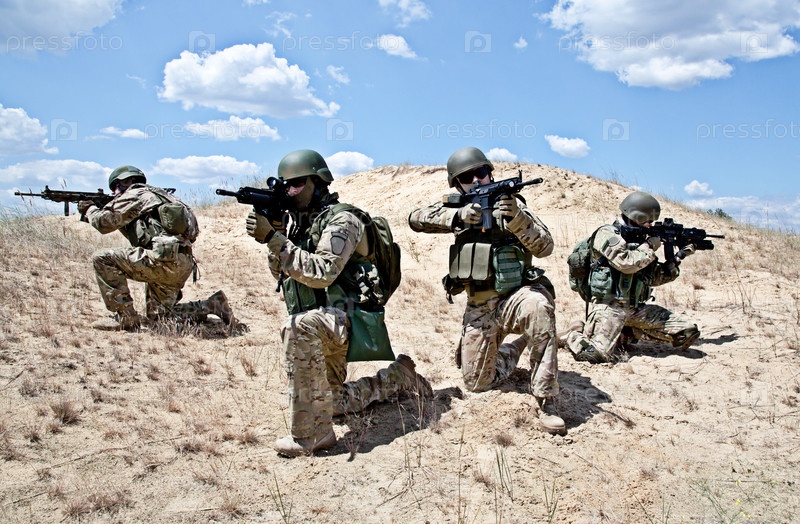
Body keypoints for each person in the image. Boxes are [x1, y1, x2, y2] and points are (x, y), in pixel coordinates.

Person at [245, 149, 432, 457]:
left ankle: (311, 435)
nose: (290, 191)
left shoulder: (343, 220)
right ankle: (399, 377)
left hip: (349, 318)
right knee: (330, 403)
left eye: (297, 184)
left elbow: (322, 273)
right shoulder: (302, 224)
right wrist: (276, 235)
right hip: (325, 321)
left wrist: (272, 239)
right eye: (286, 186)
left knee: (298, 326)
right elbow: (281, 273)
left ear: (318, 183)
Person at [408, 146, 565, 435]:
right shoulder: (458, 208)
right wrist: (458, 216)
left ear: (490, 172)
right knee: (476, 383)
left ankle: (546, 398)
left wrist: (517, 219)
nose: (476, 180)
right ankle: (515, 347)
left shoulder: (514, 207)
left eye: (480, 172)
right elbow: (415, 218)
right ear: (457, 185)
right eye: (467, 177)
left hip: (515, 299)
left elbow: (545, 247)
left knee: (539, 307)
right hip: (480, 306)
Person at [78, 165, 236, 331]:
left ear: (124, 182)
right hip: (182, 263)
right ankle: (212, 305)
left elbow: (103, 223)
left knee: (102, 258)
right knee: (160, 319)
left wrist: (89, 209)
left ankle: (125, 317)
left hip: (161, 261)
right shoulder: (165, 196)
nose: (113, 194)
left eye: (114, 189)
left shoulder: (136, 194)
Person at [558, 191, 701, 363]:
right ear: (638, 217)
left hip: (636, 309)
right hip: (609, 309)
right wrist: (649, 246)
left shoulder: (640, 242)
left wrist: (678, 258)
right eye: (648, 221)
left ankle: (626, 333)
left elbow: (654, 278)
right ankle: (573, 333)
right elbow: (625, 263)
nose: (650, 226)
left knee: (687, 332)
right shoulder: (607, 233)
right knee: (593, 355)